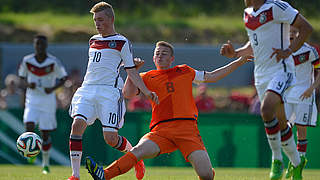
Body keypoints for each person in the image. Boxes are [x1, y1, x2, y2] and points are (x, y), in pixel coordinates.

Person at [85, 41, 251, 180]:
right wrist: (132, 71)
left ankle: (207, 169)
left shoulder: (184, 70)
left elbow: (213, 76)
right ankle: (104, 175)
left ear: (172, 58)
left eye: (164, 53)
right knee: (138, 150)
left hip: (187, 129)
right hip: (161, 131)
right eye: (157, 53)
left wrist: (239, 61)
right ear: (153, 57)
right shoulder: (146, 76)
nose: (160, 55)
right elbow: (127, 93)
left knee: (207, 176)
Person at [220, 0, 313, 179]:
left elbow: (306, 28)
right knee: (281, 122)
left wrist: (289, 50)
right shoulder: (247, 13)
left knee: (266, 108)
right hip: (261, 74)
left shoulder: (277, 7)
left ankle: (276, 160)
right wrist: (236, 53)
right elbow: (254, 43)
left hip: (281, 69)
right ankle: (296, 162)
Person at [67, 2, 158, 180]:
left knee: (110, 138)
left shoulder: (122, 42)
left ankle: (135, 157)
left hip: (109, 93)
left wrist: (146, 92)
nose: (97, 24)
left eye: (101, 19)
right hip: (87, 89)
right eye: (95, 20)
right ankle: (75, 176)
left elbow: (130, 70)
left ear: (111, 19)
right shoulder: (92, 40)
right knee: (76, 126)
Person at [18, 35, 68, 174]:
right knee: (29, 126)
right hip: (32, 99)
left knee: (45, 134)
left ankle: (45, 164)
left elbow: (64, 77)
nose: (39, 46)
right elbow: (21, 78)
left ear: (46, 46)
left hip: (47, 101)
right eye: (37, 44)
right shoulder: (27, 61)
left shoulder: (53, 62)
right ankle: (31, 153)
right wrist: (28, 84)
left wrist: (52, 88)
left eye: (42, 44)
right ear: (34, 45)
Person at [284, 26, 320, 178]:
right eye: (289, 31)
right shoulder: (282, 50)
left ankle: (297, 168)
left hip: (304, 96)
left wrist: (312, 88)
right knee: (282, 131)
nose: (291, 34)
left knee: (301, 132)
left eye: (295, 31)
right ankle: (295, 161)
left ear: (300, 33)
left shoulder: (309, 51)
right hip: (286, 96)